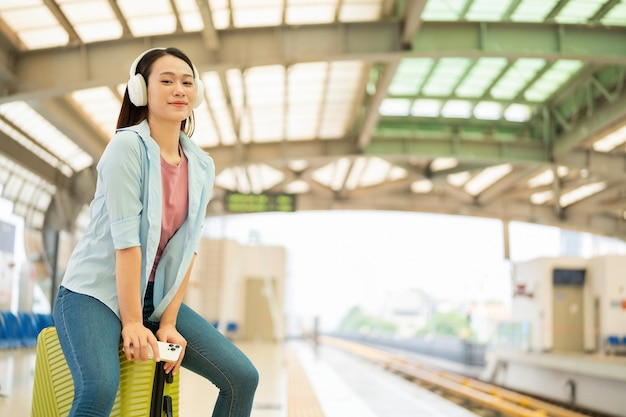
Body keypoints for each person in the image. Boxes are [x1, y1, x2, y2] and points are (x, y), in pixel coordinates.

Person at [52, 47, 259, 416]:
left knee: (241, 377)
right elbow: (127, 243)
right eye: (166, 81)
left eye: (186, 82)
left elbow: (188, 250)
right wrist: (131, 322)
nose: (179, 89)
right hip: (93, 292)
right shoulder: (126, 148)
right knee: (99, 387)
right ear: (141, 90)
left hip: (153, 298)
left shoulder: (201, 165)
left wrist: (168, 321)